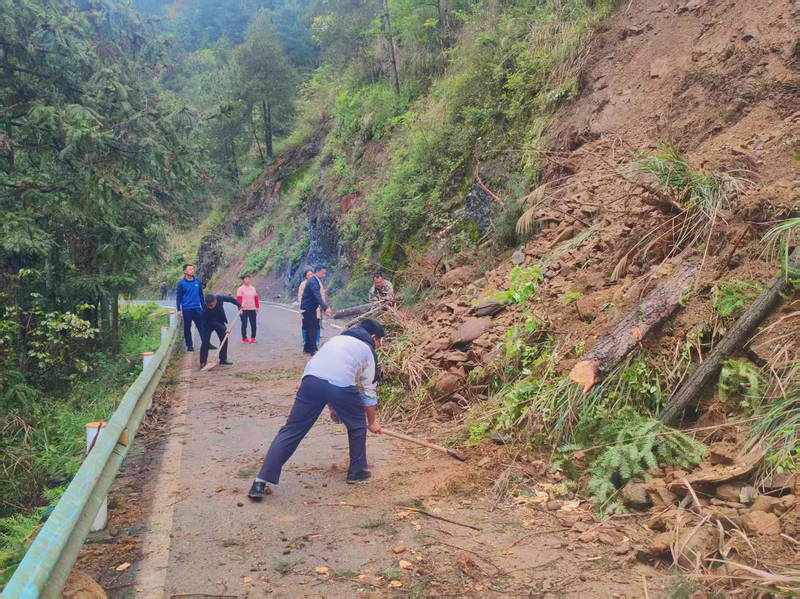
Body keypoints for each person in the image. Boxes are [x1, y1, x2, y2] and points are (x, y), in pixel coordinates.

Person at [248, 319, 386, 499]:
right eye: (379, 341)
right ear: (373, 337)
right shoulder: (368, 350)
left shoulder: (335, 340)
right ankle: (357, 471)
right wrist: (372, 422)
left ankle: (260, 481)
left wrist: (333, 408)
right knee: (358, 425)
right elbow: (369, 391)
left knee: (291, 430)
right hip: (340, 386)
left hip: (310, 381)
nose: (379, 345)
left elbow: (325, 375)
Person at [200, 294, 242, 369]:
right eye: (208, 305)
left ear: (215, 301)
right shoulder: (205, 309)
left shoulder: (219, 298)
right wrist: (224, 329)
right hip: (208, 324)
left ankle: (223, 359)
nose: (210, 307)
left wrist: (239, 305)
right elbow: (212, 322)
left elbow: (230, 299)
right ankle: (203, 361)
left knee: (224, 339)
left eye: (211, 305)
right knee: (205, 341)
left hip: (219, 320)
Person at [300, 264, 332, 355]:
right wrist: (325, 308)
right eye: (323, 273)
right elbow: (317, 296)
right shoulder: (313, 282)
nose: (324, 275)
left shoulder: (314, 281)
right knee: (313, 328)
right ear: (317, 272)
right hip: (308, 308)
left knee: (309, 327)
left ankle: (307, 348)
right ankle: (312, 349)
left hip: (308, 307)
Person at [176, 264, 204, 352]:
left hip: (197, 307)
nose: (192, 270)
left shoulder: (197, 282)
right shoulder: (181, 283)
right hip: (187, 308)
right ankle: (189, 345)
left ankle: (205, 342)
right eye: (190, 269)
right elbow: (178, 297)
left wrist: (204, 307)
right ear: (185, 271)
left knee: (202, 326)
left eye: (192, 269)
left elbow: (201, 295)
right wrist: (179, 309)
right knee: (187, 327)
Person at [297, 269, 322, 348]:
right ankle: (306, 343)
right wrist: (302, 306)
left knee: (316, 325)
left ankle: (315, 342)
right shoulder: (303, 284)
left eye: (312, 274)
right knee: (306, 325)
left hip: (316, 308)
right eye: (309, 275)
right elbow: (300, 296)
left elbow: (321, 294)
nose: (311, 276)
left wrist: (323, 305)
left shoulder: (318, 282)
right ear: (305, 276)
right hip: (306, 308)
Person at [236, 274, 260, 343]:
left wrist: (257, 307)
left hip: (252, 308)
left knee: (253, 324)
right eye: (246, 279)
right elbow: (238, 300)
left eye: (248, 279)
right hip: (244, 309)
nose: (248, 280)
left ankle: (253, 337)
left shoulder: (253, 288)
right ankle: (244, 338)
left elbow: (255, 298)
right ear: (243, 280)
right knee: (244, 324)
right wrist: (239, 309)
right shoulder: (240, 289)